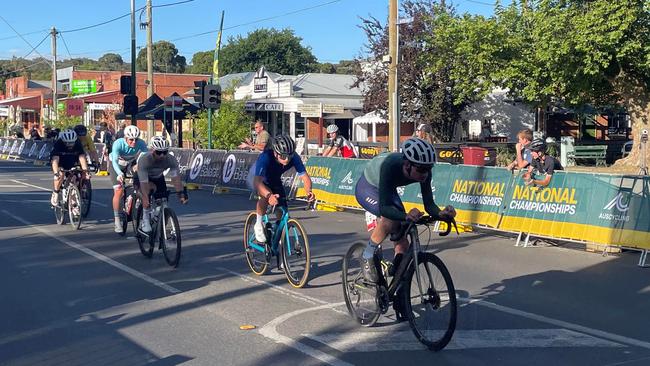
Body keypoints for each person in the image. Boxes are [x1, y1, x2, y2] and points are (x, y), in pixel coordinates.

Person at [354, 137, 456, 284]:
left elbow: (429, 205)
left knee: (403, 237)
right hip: (368, 188)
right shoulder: (390, 166)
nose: (425, 174)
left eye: (429, 169)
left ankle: (398, 282)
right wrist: (405, 215)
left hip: (389, 187)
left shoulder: (423, 169)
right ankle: (367, 254)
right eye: (421, 169)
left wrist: (441, 214)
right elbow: (385, 208)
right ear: (407, 165)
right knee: (391, 220)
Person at [251, 135, 315, 242]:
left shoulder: (294, 157)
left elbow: (305, 177)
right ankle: (258, 224)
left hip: (275, 180)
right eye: (283, 156)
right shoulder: (265, 157)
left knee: (283, 211)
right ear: (276, 153)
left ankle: (276, 237)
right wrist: (269, 196)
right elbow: (257, 182)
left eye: (289, 156)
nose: (287, 159)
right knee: (265, 198)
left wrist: (309, 192)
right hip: (262, 180)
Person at [135, 136, 188, 233]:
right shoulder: (144, 159)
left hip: (158, 177)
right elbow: (144, 183)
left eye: (165, 152)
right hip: (143, 178)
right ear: (152, 150)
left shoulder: (171, 160)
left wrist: (180, 193)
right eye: (159, 152)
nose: (162, 155)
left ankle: (157, 219)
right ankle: (145, 219)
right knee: (148, 192)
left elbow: (176, 178)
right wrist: (145, 198)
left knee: (163, 201)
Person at [109, 125, 148, 232]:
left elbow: (145, 158)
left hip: (131, 164)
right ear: (126, 138)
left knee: (141, 183)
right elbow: (115, 163)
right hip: (116, 165)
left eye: (136, 139)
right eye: (131, 140)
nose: (134, 142)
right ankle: (117, 219)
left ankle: (138, 201)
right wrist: (119, 173)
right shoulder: (118, 143)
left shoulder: (141, 143)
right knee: (119, 190)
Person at [49, 129, 90, 207]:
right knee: (60, 174)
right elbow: (55, 160)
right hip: (61, 161)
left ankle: (73, 201)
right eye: (67, 143)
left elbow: (81, 157)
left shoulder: (77, 143)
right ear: (63, 141)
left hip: (72, 160)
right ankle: (56, 193)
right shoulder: (59, 144)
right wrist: (56, 173)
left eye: (72, 142)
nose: (70, 145)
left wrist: (85, 170)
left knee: (75, 176)